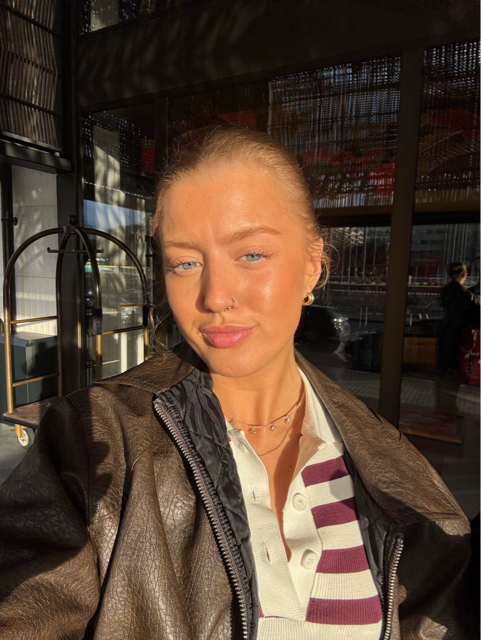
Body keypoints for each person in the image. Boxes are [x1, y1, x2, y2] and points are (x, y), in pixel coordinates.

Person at [0, 128, 475, 640]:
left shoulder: (394, 469)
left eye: (250, 255)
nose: (215, 297)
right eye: (186, 263)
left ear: (312, 264)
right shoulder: (94, 439)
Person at [437, 262, 480, 375]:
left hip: (448, 323)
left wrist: (474, 288)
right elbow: (469, 300)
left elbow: (462, 296)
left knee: (445, 353)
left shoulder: (449, 288)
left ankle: (444, 372)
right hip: (457, 326)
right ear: (464, 274)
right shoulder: (459, 289)